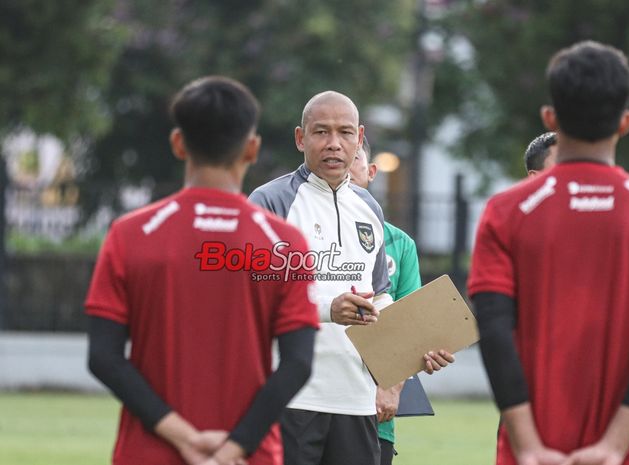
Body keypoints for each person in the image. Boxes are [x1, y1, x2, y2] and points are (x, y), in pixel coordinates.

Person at [468, 41, 629, 465]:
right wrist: (613, 447)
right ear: (626, 122)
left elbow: (495, 334)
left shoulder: (504, 213)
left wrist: (529, 445)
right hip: (628, 452)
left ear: (550, 118)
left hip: (530, 452)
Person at [85, 76, 319, 465]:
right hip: (248, 456)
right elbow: (298, 363)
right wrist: (233, 448)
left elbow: (104, 357)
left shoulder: (130, 234)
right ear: (252, 148)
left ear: (178, 143)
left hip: (149, 452)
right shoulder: (284, 244)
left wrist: (184, 438)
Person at [249, 91, 453, 465]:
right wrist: (330, 309)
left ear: (359, 138)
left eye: (344, 133)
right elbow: (251, 301)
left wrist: (417, 349)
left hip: (358, 401)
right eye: (321, 132)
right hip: (290, 398)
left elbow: (380, 299)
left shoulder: (369, 208)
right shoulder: (269, 203)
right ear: (300, 138)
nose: (333, 144)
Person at [348, 136, 423, 465]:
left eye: (355, 160)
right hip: (313, 400)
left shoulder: (399, 243)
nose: (345, 168)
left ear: (371, 172)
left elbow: (411, 323)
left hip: (375, 409)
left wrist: (391, 388)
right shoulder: (303, 230)